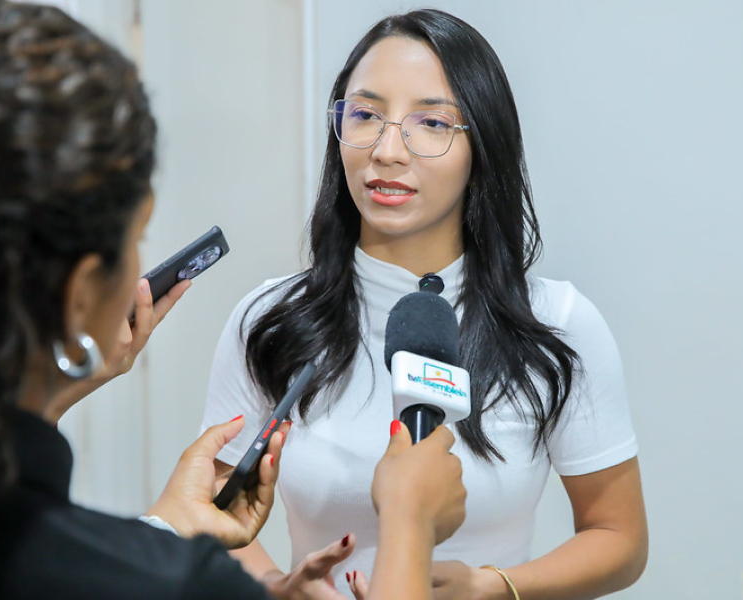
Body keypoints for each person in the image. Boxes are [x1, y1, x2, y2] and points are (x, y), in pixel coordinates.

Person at [0, 3, 465, 599]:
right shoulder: (164, 582)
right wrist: (409, 522)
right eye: (138, 238)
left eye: (433, 123)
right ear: (82, 293)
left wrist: (167, 523)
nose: (390, 150)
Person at [202, 8, 648, 600]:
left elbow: (619, 536)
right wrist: (274, 589)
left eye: (431, 124)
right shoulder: (271, 320)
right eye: (365, 115)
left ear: (482, 145)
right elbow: (210, 514)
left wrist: (496, 587)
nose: (387, 150)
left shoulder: (558, 324)